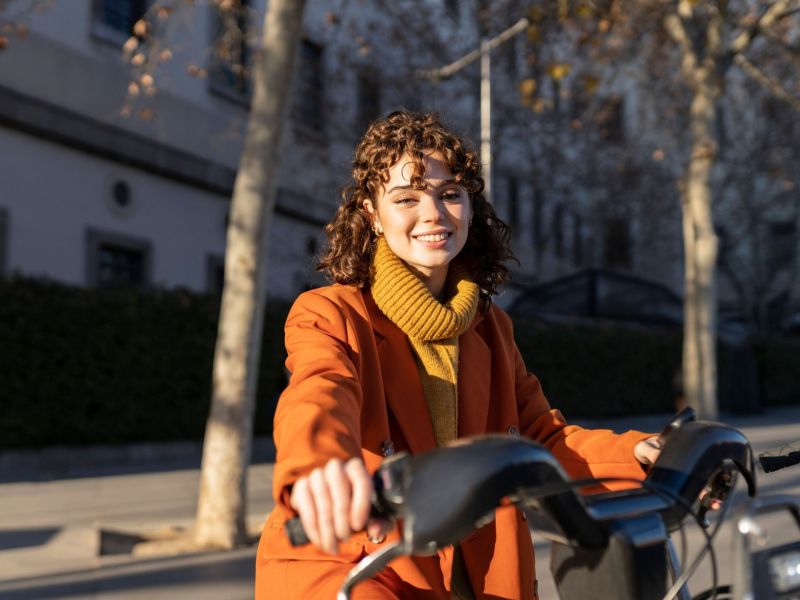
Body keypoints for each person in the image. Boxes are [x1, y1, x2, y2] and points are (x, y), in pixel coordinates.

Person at [255, 111, 662, 599]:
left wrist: (639, 455)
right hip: (357, 566)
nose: (433, 214)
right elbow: (318, 394)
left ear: (471, 207)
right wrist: (320, 468)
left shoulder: (490, 326)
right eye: (406, 198)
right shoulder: (329, 313)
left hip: (477, 572)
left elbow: (540, 440)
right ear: (372, 215)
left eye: (449, 194)